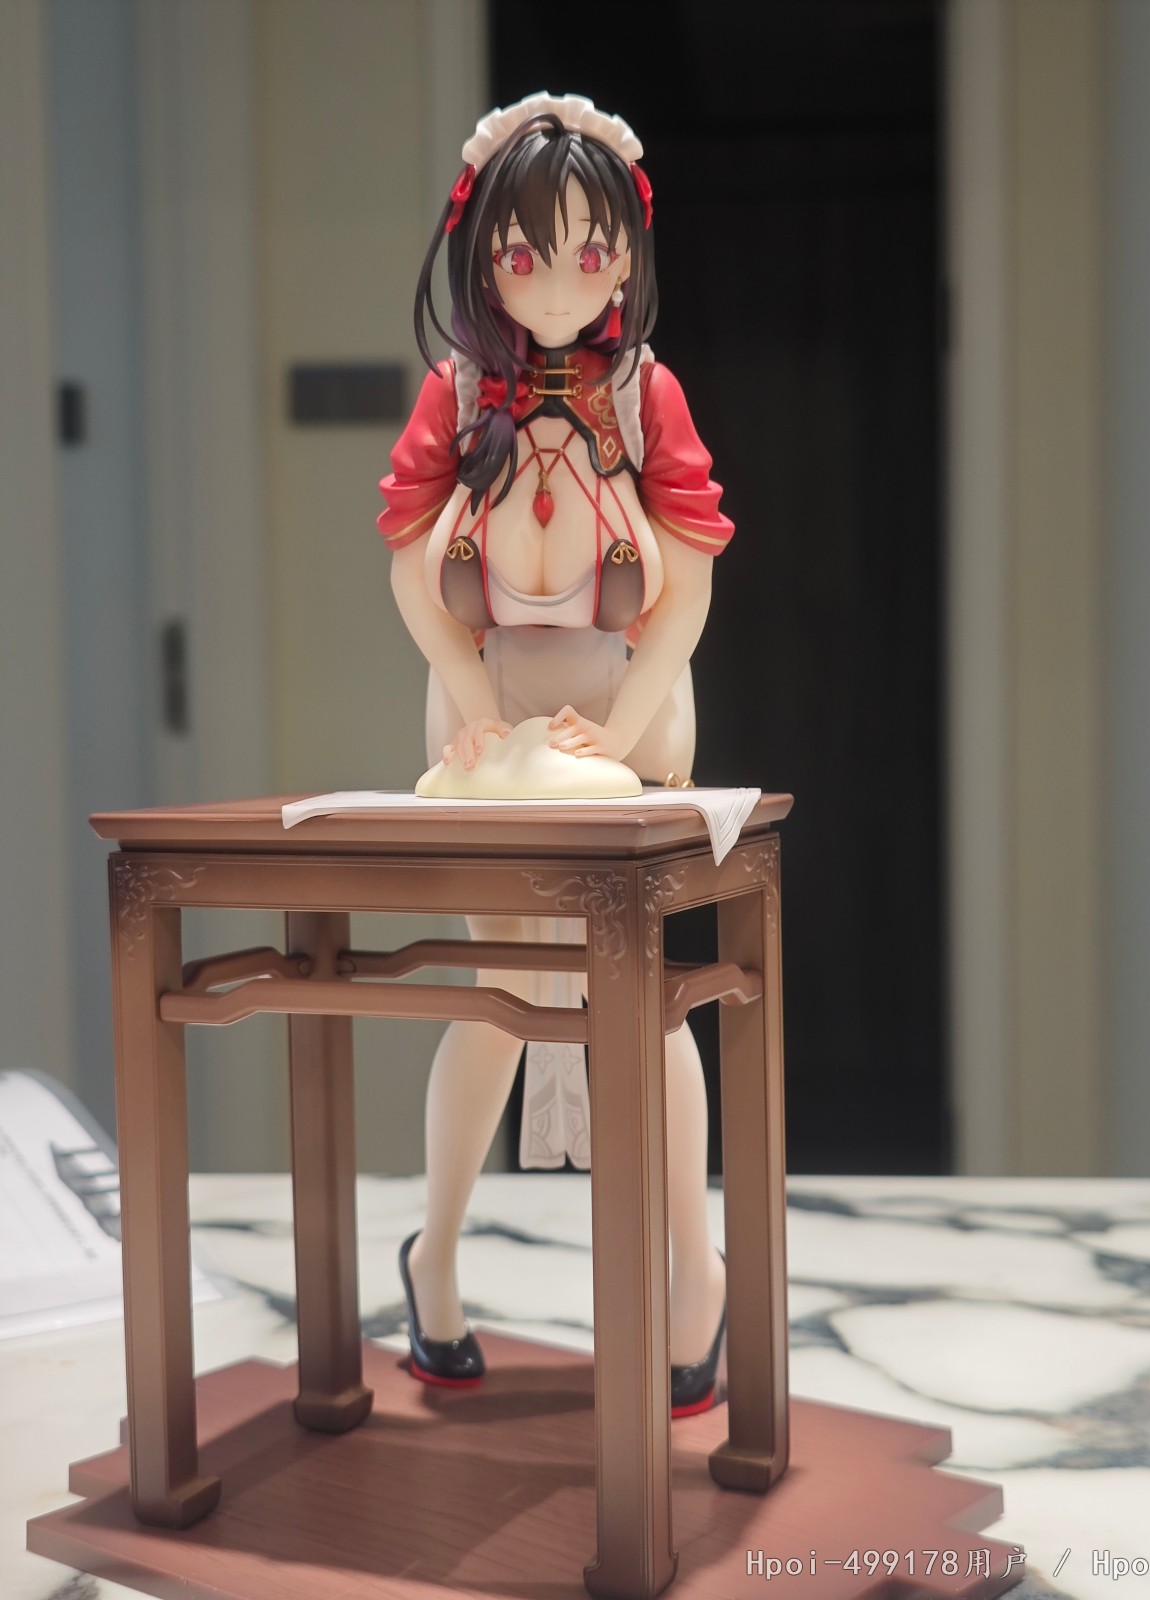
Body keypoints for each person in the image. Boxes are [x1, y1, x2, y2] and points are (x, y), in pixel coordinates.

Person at [378, 92, 732, 1416]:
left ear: (626, 260)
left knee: (647, 986)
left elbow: (687, 592)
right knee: (501, 981)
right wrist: (474, 701)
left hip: (629, 699)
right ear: (485, 261)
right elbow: (411, 572)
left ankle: (694, 1267)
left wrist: (622, 736)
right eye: (528, 256)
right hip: (484, 708)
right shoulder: (457, 393)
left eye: (590, 254)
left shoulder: (646, 396)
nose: (562, 285)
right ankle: (437, 1251)